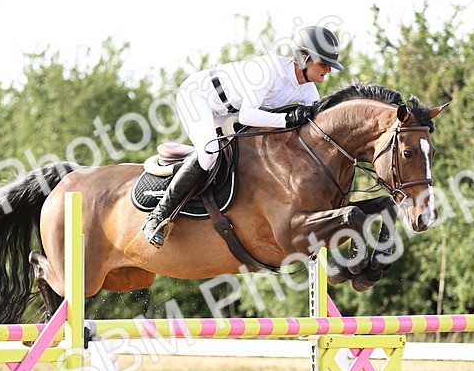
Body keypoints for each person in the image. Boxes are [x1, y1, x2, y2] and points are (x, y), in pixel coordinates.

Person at [141, 25, 345, 248]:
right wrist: (287, 119)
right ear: (304, 58)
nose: (328, 70)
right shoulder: (270, 70)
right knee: (209, 154)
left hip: (228, 111)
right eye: (324, 63)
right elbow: (248, 115)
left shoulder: (308, 91)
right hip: (199, 97)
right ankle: (158, 216)